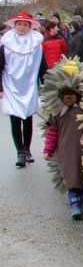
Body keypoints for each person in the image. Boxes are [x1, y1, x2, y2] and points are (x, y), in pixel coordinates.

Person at [41, 60, 83, 219]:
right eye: (65, 97)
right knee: (70, 175)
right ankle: (74, 203)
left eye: (71, 96)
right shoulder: (57, 113)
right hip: (66, 151)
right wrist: (48, 150)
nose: (68, 100)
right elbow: (53, 133)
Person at [0, 12, 46, 167]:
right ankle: (19, 151)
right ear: (14, 25)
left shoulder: (36, 44)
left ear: (29, 26)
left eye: (25, 25)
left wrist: (45, 85)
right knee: (15, 119)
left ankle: (27, 149)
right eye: (19, 24)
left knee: (27, 119)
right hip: (11, 85)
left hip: (29, 85)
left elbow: (42, 66)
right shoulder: (6, 44)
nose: (21, 27)